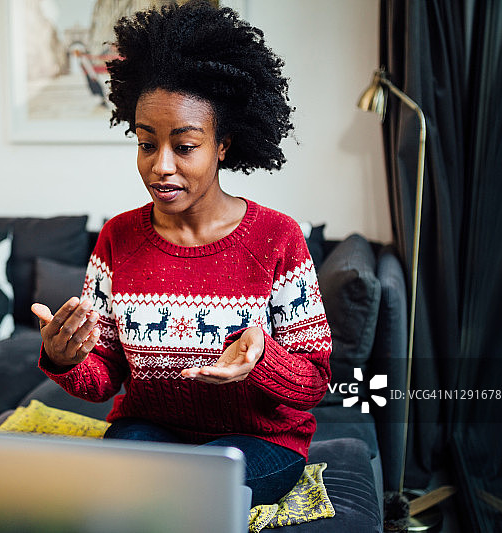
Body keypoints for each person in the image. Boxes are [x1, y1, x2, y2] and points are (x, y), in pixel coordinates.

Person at [31, 0, 331, 507]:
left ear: (223, 145)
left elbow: (312, 383)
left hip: (260, 439)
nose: (160, 166)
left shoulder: (277, 239)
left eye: (184, 146)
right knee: (113, 486)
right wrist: (64, 358)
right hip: (151, 428)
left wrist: (261, 358)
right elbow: (103, 379)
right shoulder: (117, 238)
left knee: (183, 496)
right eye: (147, 144)